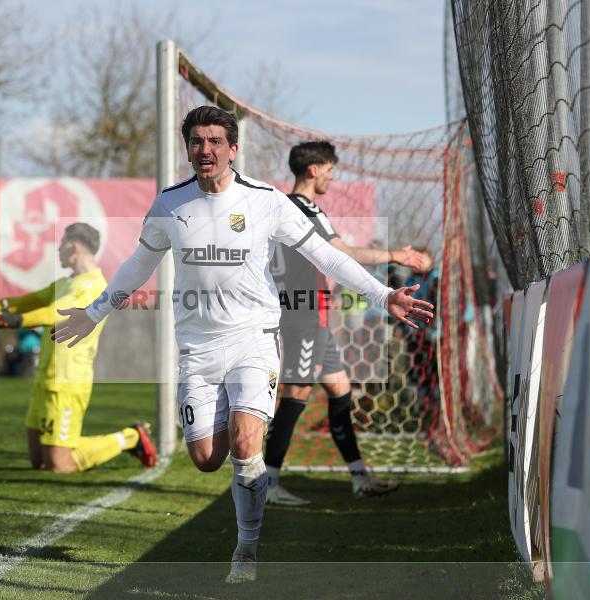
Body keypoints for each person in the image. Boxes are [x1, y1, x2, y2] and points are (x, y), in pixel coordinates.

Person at [51, 106, 434, 583]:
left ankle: (246, 551)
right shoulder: (170, 205)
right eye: (196, 141)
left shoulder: (267, 200)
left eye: (215, 141)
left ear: (234, 149)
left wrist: (382, 294)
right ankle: (243, 505)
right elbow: (138, 265)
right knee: (207, 458)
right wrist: (94, 313)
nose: (205, 150)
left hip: (255, 338)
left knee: (246, 442)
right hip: (197, 348)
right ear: (187, 148)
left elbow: (324, 255)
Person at [266, 140, 431, 506]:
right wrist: (395, 255)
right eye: (328, 169)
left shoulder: (293, 206)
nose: (331, 176)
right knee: (296, 396)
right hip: (302, 318)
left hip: (314, 318)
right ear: (313, 170)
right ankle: (267, 483)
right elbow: (342, 252)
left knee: (340, 392)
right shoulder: (302, 206)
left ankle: (360, 477)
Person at [0, 222, 156, 474]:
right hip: (46, 378)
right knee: (39, 461)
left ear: (73, 247)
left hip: (68, 381)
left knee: (60, 464)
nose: (57, 250)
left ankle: (131, 437)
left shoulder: (94, 286)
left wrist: (15, 321)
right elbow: (22, 302)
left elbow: (54, 313)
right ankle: (122, 439)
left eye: (60, 244)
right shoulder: (66, 283)